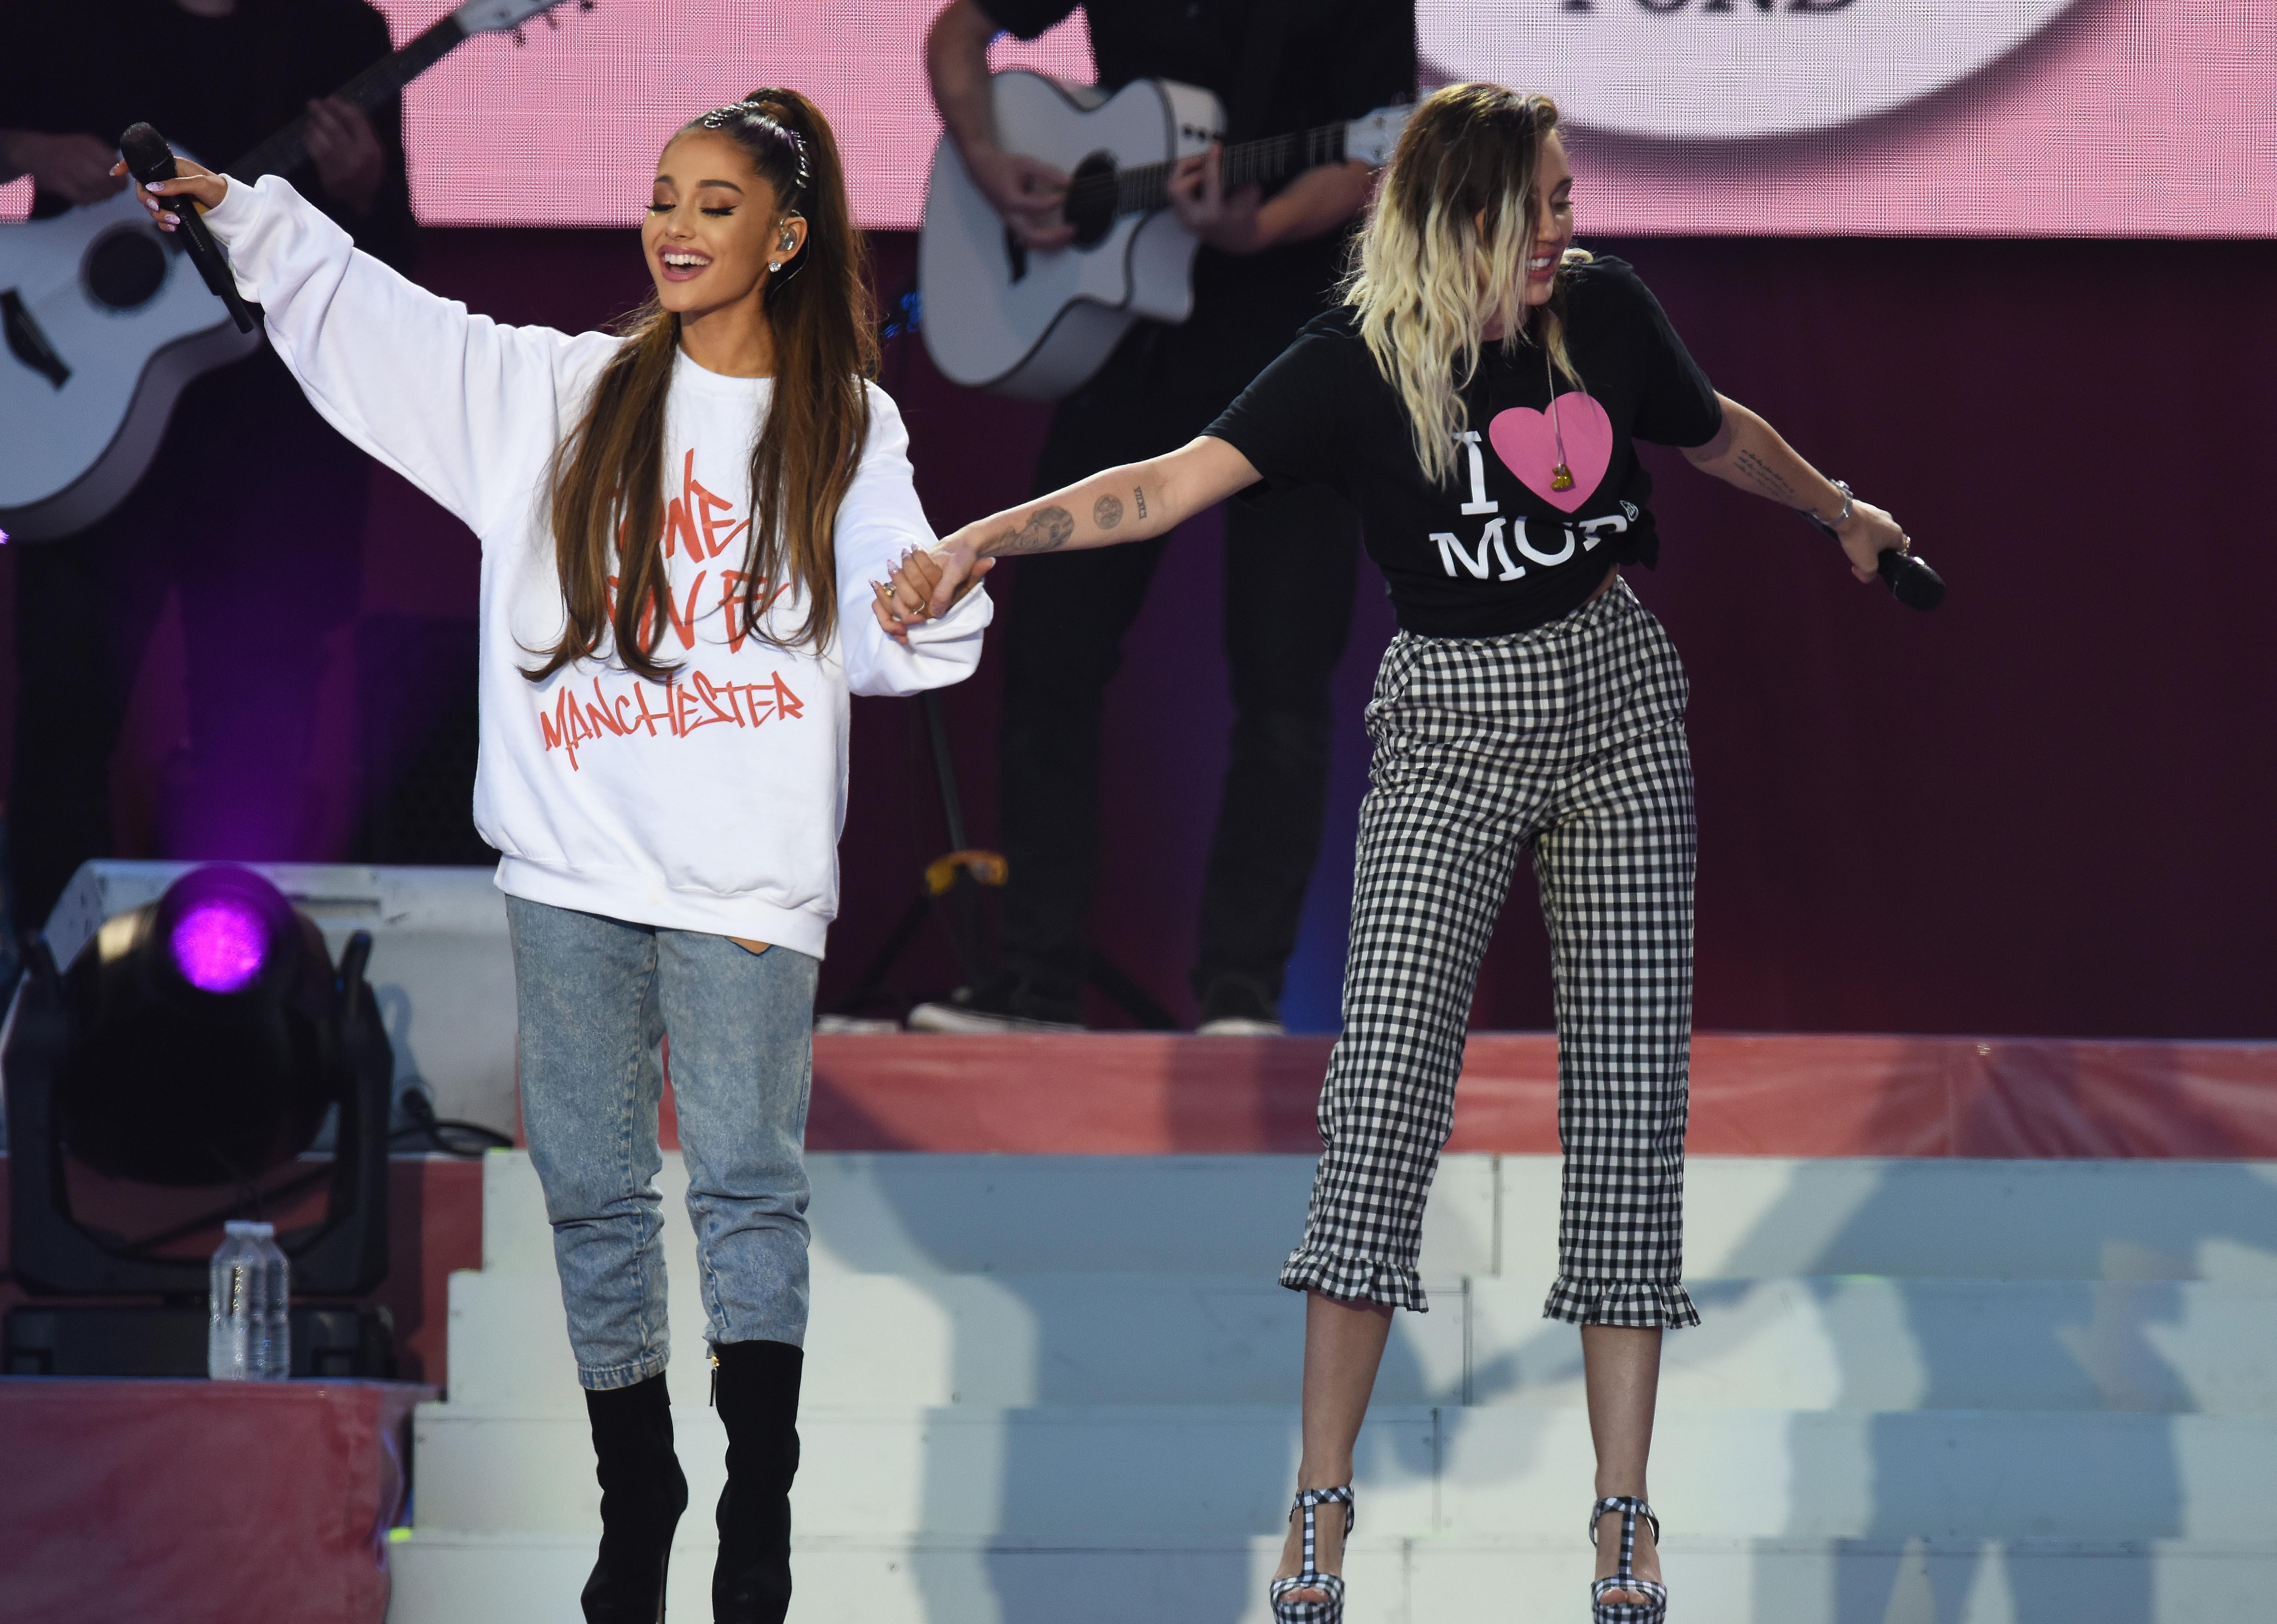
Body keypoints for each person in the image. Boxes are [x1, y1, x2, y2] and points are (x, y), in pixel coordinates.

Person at [879, 82, 1916, 1624]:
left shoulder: (1606, 319)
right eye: (1545, 204)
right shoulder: (1353, 365)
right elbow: (1157, 486)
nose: (1569, 229)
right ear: (1468, 213)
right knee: (1381, 1109)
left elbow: (1714, 441)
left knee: (1629, 1109)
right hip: (1447, 727)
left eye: (1569, 200)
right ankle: (1319, 1502)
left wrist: (1838, 510)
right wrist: (982, 537)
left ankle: (1621, 1517)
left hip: (1618, 709)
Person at [135, 89, 994, 1623]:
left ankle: (758, 1503)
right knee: (593, 1190)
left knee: (743, 1186)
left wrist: (919, 599)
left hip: (742, 871)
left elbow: (877, 601)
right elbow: (380, 323)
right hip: (574, 865)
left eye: (714, 203)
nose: (674, 224)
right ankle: (636, 1487)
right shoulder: (558, 393)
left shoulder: (842, 420)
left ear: (785, 238)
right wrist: (245, 217)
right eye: (663, 194)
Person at [914, 0, 1415, 1035]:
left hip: (1294, 344)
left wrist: (1260, 224)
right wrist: (985, 157)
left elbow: (1377, 148)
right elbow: (959, 32)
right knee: (1049, 651)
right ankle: (1037, 985)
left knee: (1283, 677)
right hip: (1127, 338)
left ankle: (1243, 994)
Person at [0, 0, 417, 932]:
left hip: (269, 456)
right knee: (65, 716)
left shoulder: (333, 35)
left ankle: (236, 1009)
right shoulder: (54, 22)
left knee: (258, 729)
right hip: (83, 430)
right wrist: (29, 146)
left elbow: (392, 267)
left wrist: (363, 190)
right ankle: (47, 989)